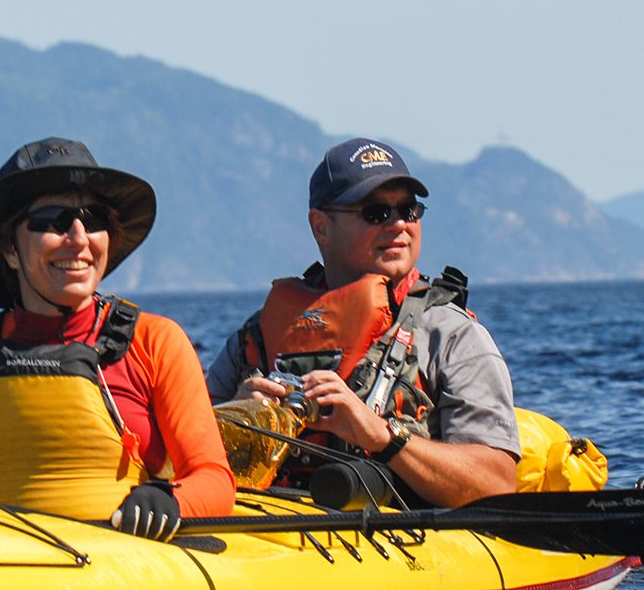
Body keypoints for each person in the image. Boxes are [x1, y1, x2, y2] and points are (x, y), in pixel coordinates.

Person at [0, 138, 236, 540]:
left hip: (127, 569)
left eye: (94, 218)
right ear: (10, 250)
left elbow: (215, 480)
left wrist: (171, 501)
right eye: (52, 220)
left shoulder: (156, 342)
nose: (79, 238)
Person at [206, 138, 519, 508]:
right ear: (321, 227)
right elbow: (173, 456)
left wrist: (384, 439)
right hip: (270, 534)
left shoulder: (452, 335)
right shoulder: (255, 337)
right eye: (375, 213)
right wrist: (232, 419)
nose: (399, 224)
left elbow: (497, 484)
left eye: (409, 210)